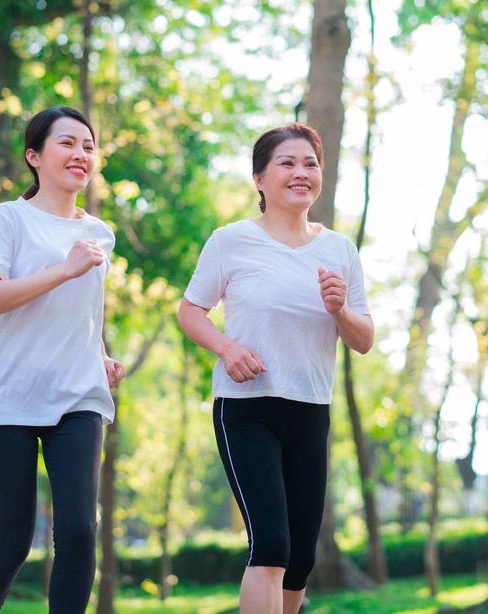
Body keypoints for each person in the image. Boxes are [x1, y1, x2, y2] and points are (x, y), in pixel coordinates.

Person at [177, 123, 374, 614]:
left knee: (301, 559)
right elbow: (190, 311)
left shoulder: (340, 250)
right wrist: (226, 348)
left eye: (310, 163)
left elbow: (363, 340)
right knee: (271, 546)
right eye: (287, 163)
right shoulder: (231, 241)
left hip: (310, 408)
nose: (301, 172)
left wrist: (340, 309)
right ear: (259, 179)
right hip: (247, 410)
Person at [0, 106, 125, 614]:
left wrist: (100, 355)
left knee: (79, 530)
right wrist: (64, 269)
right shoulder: (6, 220)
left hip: (78, 397)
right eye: (67, 143)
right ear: (34, 156)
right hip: (10, 398)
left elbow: (83, 312)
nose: (81, 154)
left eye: (88, 146)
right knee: (11, 543)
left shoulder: (100, 233)